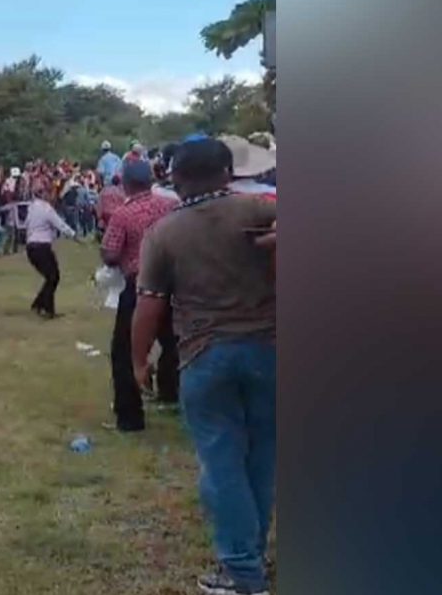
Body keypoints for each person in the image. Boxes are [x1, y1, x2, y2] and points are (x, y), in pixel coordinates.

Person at [132, 138, 276, 595]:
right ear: (228, 172)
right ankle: (250, 553)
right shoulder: (261, 211)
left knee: (222, 463)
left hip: (204, 354)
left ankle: (241, 573)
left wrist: (140, 360)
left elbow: (149, 307)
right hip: (270, 349)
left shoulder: (166, 232)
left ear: (176, 178)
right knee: (262, 459)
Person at [101, 160, 178, 432]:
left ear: (124, 184)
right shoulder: (170, 206)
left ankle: (130, 417)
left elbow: (110, 254)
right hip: (175, 284)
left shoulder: (123, 214)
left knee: (124, 350)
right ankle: (176, 396)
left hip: (139, 285)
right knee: (177, 343)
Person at [24, 186, 76, 319]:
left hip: (31, 247)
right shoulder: (46, 209)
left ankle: (39, 304)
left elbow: (27, 225)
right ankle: (46, 308)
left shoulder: (32, 207)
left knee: (51, 277)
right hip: (42, 246)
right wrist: (73, 234)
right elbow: (60, 224)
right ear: (44, 195)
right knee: (53, 277)